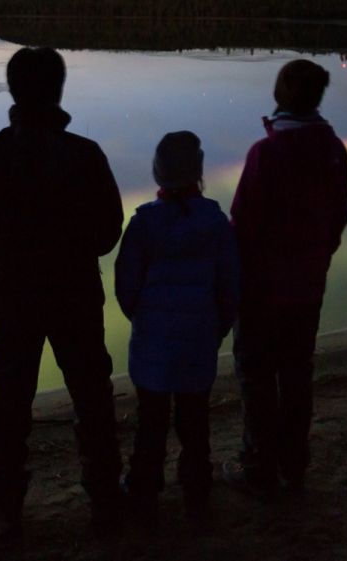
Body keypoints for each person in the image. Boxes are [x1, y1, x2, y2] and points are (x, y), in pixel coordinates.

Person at [0, 47, 125, 539]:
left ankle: (6, 506)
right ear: (59, 88)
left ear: (13, 90)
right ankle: (104, 497)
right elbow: (107, 232)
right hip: (75, 295)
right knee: (92, 394)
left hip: (13, 300)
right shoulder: (85, 154)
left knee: (9, 400)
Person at [223, 59, 347, 498]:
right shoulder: (334, 149)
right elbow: (338, 219)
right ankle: (293, 466)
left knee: (257, 376)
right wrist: (317, 259)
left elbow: (241, 225)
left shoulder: (268, 153)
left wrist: (235, 281)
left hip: (262, 290)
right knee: (296, 374)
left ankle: (258, 466)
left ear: (280, 94)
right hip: (308, 287)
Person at [115, 131, 238, 532]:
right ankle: (196, 491)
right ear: (198, 173)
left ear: (157, 172)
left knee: (151, 420)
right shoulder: (216, 223)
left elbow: (126, 287)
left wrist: (144, 320)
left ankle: (144, 490)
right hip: (199, 339)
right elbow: (228, 286)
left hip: (153, 341)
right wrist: (217, 327)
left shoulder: (144, 224)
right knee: (194, 420)